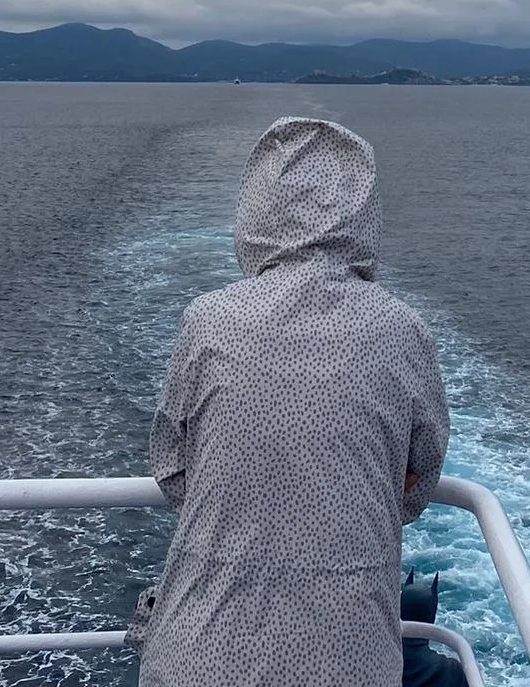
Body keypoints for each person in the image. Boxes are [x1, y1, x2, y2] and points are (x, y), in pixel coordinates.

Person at [138, 117, 452, 687]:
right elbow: (417, 484)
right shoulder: (404, 331)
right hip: (346, 664)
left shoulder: (206, 321)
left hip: (198, 658)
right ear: (363, 213)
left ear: (255, 211)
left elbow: (172, 471)